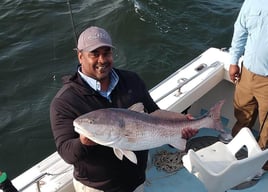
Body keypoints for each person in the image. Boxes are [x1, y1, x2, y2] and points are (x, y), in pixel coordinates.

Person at [50, 26, 198, 192]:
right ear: (80, 56)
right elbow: (66, 152)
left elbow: (155, 114)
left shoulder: (131, 80)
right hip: (97, 188)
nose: (102, 60)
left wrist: (180, 129)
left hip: (136, 180)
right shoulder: (64, 102)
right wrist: (84, 141)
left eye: (106, 53)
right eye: (94, 54)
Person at [229, 0, 268, 160]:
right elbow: (241, 29)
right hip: (247, 72)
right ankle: (235, 145)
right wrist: (233, 61)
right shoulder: (254, 1)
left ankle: (261, 163)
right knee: (242, 112)